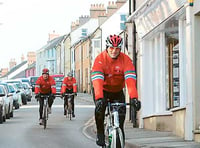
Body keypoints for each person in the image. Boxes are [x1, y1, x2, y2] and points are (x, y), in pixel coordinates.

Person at [91, 34, 141, 146]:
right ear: (106, 47)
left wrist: (134, 98)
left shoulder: (126, 60)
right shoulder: (100, 59)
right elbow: (97, 80)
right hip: (103, 90)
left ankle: (119, 139)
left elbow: (130, 80)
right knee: (100, 109)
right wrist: (99, 98)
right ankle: (100, 133)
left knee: (120, 121)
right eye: (111, 48)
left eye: (117, 48)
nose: (114, 51)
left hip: (118, 91)